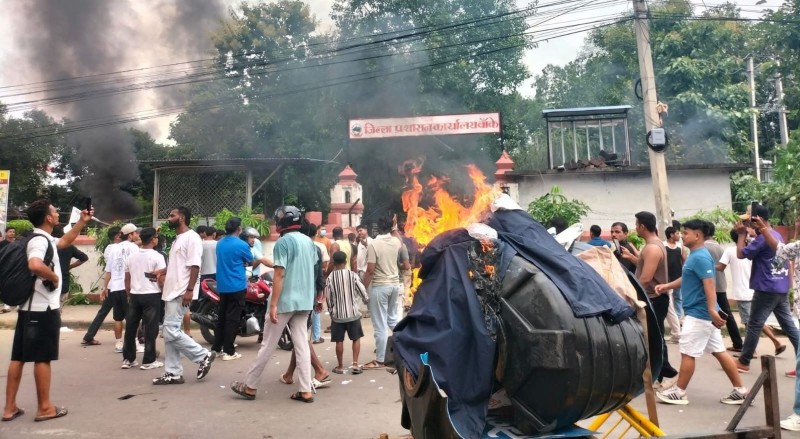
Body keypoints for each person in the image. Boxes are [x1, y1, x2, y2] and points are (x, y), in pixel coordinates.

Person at [2, 199, 92, 423]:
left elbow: (64, 241)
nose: (57, 214)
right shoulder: (39, 242)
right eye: (54, 211)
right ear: (48, 218)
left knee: (19, 358)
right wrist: (53, 276)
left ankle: (9, 408)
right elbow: (34, 264)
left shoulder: (41, 238)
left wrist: (81, 222)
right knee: (42, 359)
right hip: (42, 310)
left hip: (29, 309)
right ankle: (44, 408)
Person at [653, 219, 748, 405]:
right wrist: (667, 286)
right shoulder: (694, 255)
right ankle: (740, 390)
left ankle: (679, 392)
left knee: (688, 352)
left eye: (686, 232)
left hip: (700, 314)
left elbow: (709, 284)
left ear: (697, 235)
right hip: (704, 314)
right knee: (719, 351)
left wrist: (712, 309)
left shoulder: (701, 257)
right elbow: (687, 277)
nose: (682, 235)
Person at [231, 205, 319, 403]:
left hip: (285, 301)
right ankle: (306, 390)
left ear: (281, 223)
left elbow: (279, 274)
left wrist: (273, 306)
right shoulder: (309, 242)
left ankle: (251, 386)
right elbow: (311, 268)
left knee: (268, 345)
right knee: (301, 344)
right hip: (305, 300)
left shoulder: (283, 243)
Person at [153, 207, 215, 385]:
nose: (168, 218)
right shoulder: (178, 239)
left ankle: (203, 355)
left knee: (170, 331)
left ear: (182, 217)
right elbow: (176, 264)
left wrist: (189, 290)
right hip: (171, 290)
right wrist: (160, 271)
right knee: (171, 331)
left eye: (172, 215)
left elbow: (195, 266)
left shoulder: (192, 238)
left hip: (181, 291)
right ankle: (173, 373)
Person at [734, 205, 799, 373]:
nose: (747, 224)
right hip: (780, 287)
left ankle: (744, 360)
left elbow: (741, 254)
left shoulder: (763, 238)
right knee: (789, 327)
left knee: (755, 324)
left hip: (766, 287)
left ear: (759, 220)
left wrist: (741, 235)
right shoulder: (776, 235)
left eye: (749, 220)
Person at [750, 215, 800, 430]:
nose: (796, 222)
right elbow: (781, 251)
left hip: (769, 290)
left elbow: (747, 253)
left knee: (754, 323)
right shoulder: (795, 245)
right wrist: (762, 229)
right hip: (782, 293)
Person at [718, 228, 785, 356]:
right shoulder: (753, 249)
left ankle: (754, 350)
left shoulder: (731, 251)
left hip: (742, 292)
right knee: (755, 320)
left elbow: (721, 267)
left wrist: (708, 266)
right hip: (754, 289)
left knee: (751, 322)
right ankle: (774, 343)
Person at [630, 211, 677, 388]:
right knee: (652, 337)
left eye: (636, 225)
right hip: (655, 298)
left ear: (642, 226)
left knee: (653, 338)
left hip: (653, 299)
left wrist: (630, 293)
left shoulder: (652, 248)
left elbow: (646, 278)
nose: (635, 228)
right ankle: (660, 372)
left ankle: (664, 372)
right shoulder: (653, 245)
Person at [213, 218, 271, 361]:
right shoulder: (241, 245)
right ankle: (229, 351)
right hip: (237, 286)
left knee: (222, 318)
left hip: (222, 285)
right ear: (238, 229)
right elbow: (251, 262)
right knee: (233, 319)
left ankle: (217, 348)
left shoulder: (219, 244)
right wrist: (261, 260)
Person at [362, 216, 408, 370]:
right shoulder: (396, 242)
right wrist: (394, 227)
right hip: (394, 285)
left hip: (380, 286)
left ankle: (380, 359)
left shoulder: (374, 244)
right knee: (392, 319)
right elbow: (400, 241)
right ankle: (407, 348)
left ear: (377, 228)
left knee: (380, 324)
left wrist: (362, 288)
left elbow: (370, 270)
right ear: (391, 228)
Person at [122, 227, 165, 370]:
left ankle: (128, 359)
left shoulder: (131, 257)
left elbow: (127, 278)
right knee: (150, 329)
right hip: (151, 295)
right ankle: (148, 360)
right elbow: (161, 279)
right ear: (153, 240)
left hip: (135, 295)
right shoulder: (157, 256)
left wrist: (129, 293)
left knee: (131, 328)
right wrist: (163, 292)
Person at [701, 222, 744, 353]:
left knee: (706, 313)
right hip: (720, 284)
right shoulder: (720, 247)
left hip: (708, 285)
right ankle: (737, 342)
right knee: (726, 314)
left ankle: (709, 343)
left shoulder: (702, 248)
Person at [81, 226, 126, 348]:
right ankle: (138, 338)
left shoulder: (109, 248)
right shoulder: (117, 248)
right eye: (122, 234)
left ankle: (89, 336)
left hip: (111, 286)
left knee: (103, 312)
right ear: (117, 236)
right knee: (129, 313)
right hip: (118, 286)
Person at [326, 251, 369, 374]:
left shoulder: (330, 278)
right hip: (353, 313)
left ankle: (340, 366)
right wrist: (366, 300)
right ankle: (355, 365)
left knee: (339, 340)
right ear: (346, 262)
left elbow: (329, 298)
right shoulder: (352, 275)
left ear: (333, 263)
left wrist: (331, 311)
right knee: (356, 338)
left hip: (338, 315)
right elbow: (362, 291)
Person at [51, 224, 89, 312]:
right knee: (57, 312)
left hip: (47, 284)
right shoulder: (68, 247)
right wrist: (69, 267)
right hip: (63, 282)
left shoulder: (46, 245)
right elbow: (84, 258)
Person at [306, 223, 329, 344]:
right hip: (313, 286)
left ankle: (301, 337)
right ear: (315, 233)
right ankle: (315, 336)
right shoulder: (318, 248)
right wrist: (320, 290)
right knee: (315, 311)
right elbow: (322, 268)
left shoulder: (295, 246)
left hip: (299, 286)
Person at [663, 226, 685, 343]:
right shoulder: (663, 245)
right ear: (671, 235)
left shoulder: (680, 246)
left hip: (678, 277)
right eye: (677, 233)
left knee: (678, 299)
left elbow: (684, 260)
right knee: (670, 302)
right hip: (667, 278)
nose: (679, 235)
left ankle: (677, 321)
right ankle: (676, 328)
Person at [1, 227, 19, 314]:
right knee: (6, 286)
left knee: (17, 285)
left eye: (13, 232)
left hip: (16, 267)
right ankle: (6, 305)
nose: (12, 233)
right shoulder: (2, 244)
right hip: (5, 268)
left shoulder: (18, 244)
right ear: (6, 233)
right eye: (10, 231)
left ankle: (18, 304)